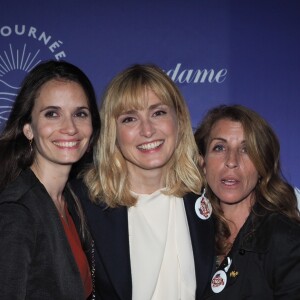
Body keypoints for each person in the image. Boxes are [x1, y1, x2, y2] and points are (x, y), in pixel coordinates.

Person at [70, 64, 215, 300]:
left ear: (179, 119)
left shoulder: (205, 195)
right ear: (112, 133)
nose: (147, 130)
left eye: (158, 113)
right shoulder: (81, 205)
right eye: (129, 119)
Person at [0, 60, 100, 299]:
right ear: (28, 129)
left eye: (80, 113)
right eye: (52, 114)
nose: (70, 127)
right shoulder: (17, 211)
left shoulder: (72, 199)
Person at [194, 104, 300, 299]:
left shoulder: (286, 239)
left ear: (262, 165)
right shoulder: (189, 233)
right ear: (203, 163)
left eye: (246, 149)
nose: (232, 161)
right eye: (219, 147)